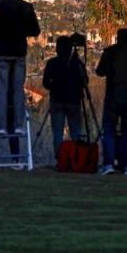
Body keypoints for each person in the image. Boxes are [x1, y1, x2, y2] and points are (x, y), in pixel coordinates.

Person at [0, 0, 41, 145]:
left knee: (1, 90)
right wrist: (20, 32)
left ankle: (1, 125)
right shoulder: (26, 7)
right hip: (19, 53)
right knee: (17, 90)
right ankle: (19, 125)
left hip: (1, 54)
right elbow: (35, 31)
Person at [95, 27, 127, 174]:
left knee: (109, 131)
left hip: (112, 95)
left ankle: (109, 164)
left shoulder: (109, 52)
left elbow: (99, 71)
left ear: (117, 37)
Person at [42, 36, 87, 164]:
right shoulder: (77, 64)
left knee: (57, 133)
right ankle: (77, 158)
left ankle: (60, 159)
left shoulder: (52, 63)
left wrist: (54, 87)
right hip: (74, 101)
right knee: (76, 132)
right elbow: (85, 81)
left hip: (57, 100)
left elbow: (45, 83)